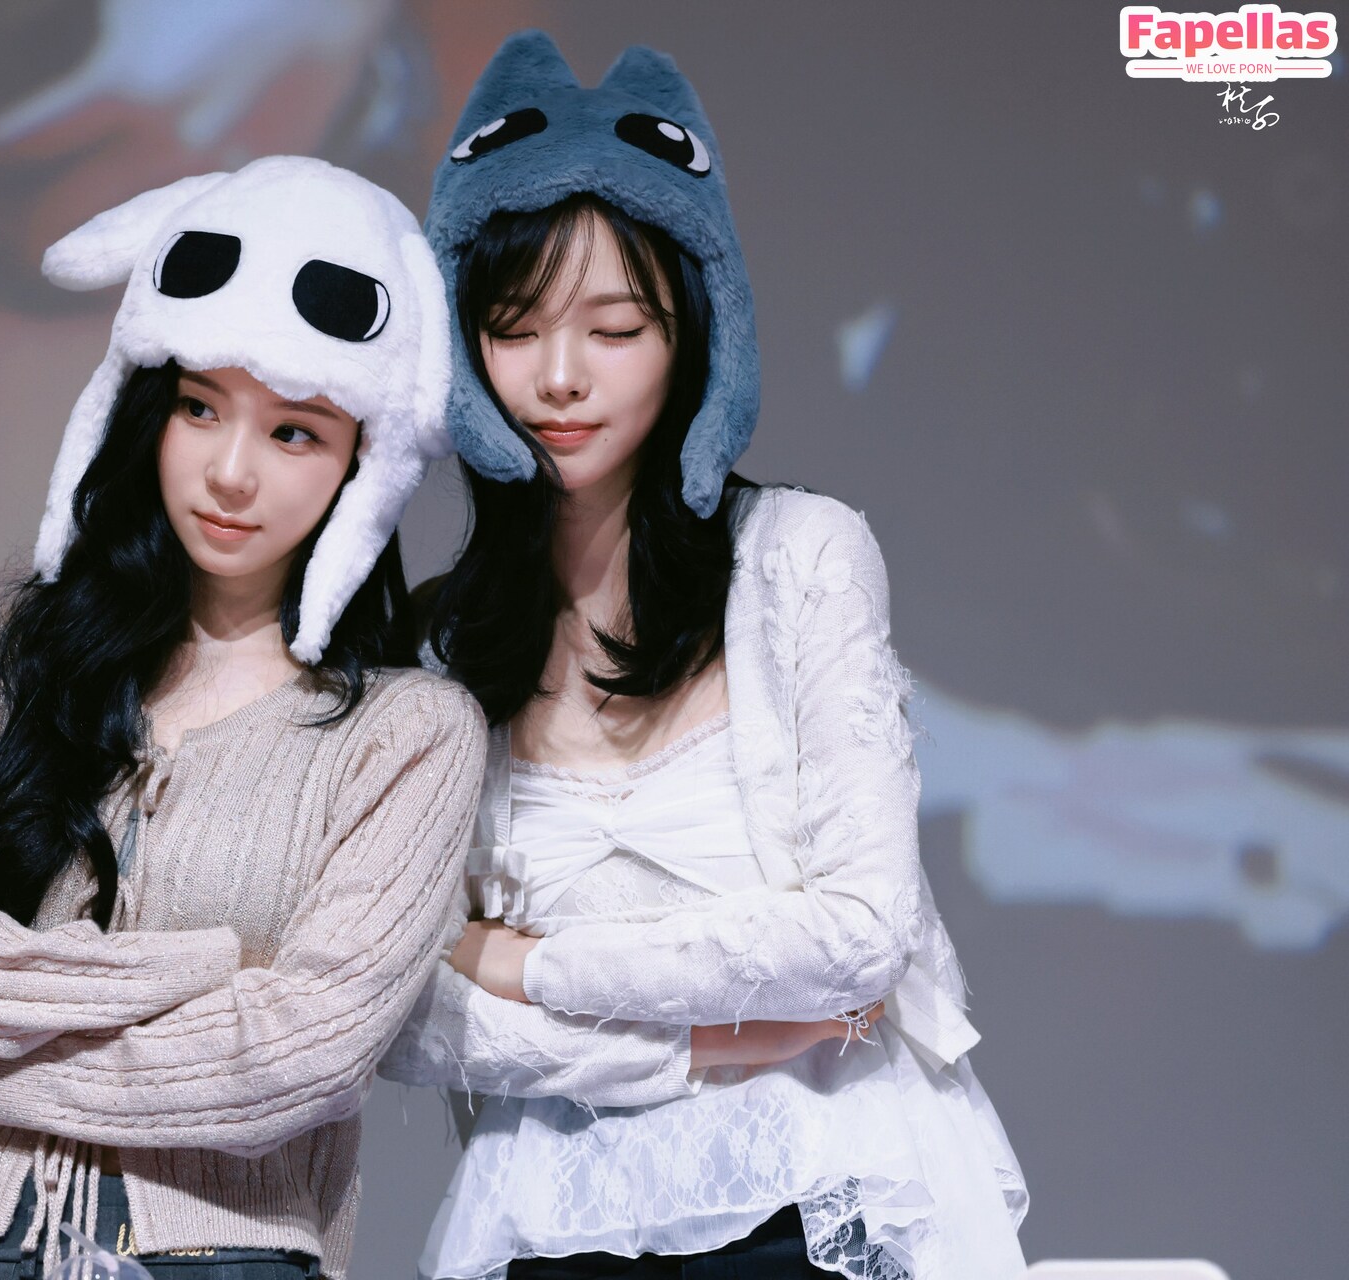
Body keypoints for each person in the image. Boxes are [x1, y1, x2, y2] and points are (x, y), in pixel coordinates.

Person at [379, 33, 1026, 1279]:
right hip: (553, 1213)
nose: (559, 377)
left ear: (694, 332)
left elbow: (858, 936)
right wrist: (698, 1045)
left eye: (615, 327)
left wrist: (523, 960)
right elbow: (412, 1015)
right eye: (512, 327)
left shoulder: (802, 557)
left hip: (821, 1190)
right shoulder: (440, 643)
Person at [0, 155, 483, 1279]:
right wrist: (185, 974)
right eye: (199, 407)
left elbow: (305, 1052)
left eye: (295, 433)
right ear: (145, 407)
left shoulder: (408, 734)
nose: (231, 472)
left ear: (364, 464)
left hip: (218, 1252)